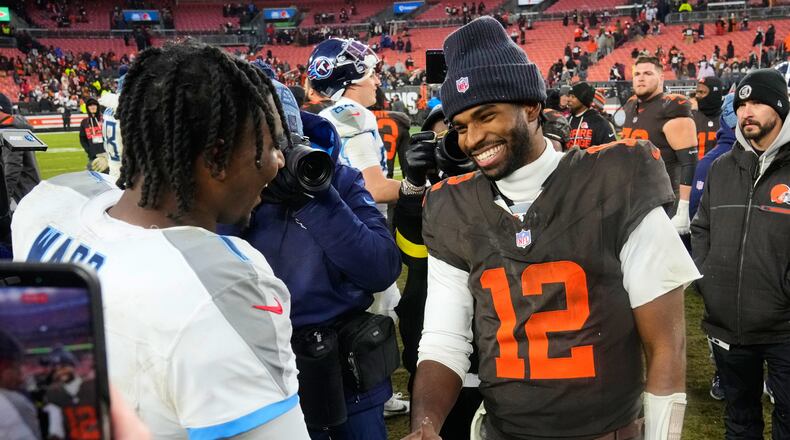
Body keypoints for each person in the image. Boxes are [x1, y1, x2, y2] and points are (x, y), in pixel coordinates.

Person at [404, 17, 700, 440]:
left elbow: (667, 345)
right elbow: (443, 339)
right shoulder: (453, 205)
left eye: (486, 115)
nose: (473, 138)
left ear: (530, 105)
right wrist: (426, 425)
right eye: (461, 126)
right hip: (503, 430)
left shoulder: (616, 179)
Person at [11, 41, 310, 439]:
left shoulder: (52, 200)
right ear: (215, 159)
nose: (277, 162)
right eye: (269, 145)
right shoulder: (221, 285)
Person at [219, 73, 401, 440]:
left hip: (347, 372)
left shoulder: (339, 180)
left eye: (282, 144)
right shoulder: (220, 196)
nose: (276, 160)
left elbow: (381, 268)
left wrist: (314, 200)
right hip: (257, 374)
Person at [307, 38, 412, 417]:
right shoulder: (352, 114)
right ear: (351, 80)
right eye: (371, 73)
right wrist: (427, 189)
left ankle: (363, 394)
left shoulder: (323, 116)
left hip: (331, 232)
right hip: (359, 234)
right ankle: (372, 395)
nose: (377, 81)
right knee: (379, 318)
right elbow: (374, 187)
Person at [691, 68, 790, 439]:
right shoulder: (722, 167)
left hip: (784, 326)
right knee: (739, 420)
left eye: (758, 103)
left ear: (780, 107)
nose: (747, 112)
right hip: (727, 322)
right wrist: (707, 280)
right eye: (742, 104)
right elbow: (701, 228)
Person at [392, 105, 482, 440]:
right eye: (444, 138)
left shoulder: (504, 185)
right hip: (435, 355)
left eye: (460, 135)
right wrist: (414, 187)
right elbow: (414, 256)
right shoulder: (426, 197)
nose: (454, 146)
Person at [622, 56, 699, 234]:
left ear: (661, 78)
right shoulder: (631, 105)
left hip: (665, 199)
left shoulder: (671, 106)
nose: (641, 78)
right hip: (636, 196)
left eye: (648, 73)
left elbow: (689, 163)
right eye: (637, 74)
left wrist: (683, 208)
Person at [566, 81, 616, 149]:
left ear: (583, 100)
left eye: (573, 97)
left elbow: (611, 151)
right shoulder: (566, 121)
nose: (568, 99)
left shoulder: (600, 123)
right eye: (568, 96)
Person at [691, 76, 723, 158]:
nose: (697, 96)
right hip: (697, 169)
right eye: (697, 92)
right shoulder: (690, 118)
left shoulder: (728, 119)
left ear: (714, 94)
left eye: (702, 92)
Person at [78, 97, 106, 173]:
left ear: (97, 106)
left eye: (94, 105)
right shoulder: (84, 122)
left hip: (106, 157)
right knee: (92, 179)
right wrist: (90, 151)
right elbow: (82, 139)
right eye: (90, 105)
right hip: (93, 156)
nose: (92, 107)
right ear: (87, 108)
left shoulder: (104, 119)